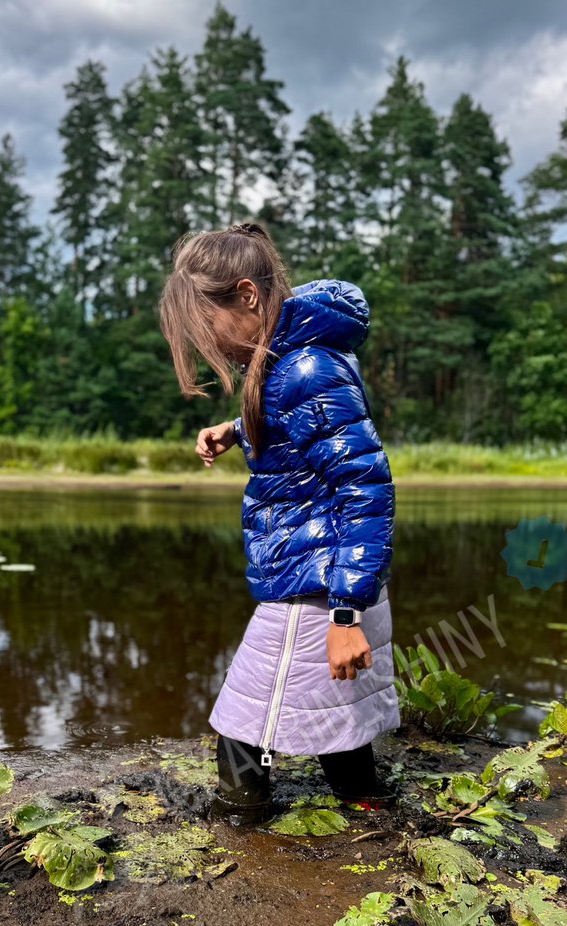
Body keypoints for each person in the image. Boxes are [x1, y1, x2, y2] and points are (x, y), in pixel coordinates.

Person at [159, 222, 400, 825]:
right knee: (338, 708)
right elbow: (307, 432)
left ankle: (240, 818)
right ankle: (365, 802)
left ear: (246, 295)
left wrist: (344, 614)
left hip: (317, 586)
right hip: (331, 573)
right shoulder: (296, 358)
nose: (211, 345)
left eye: (207, 327)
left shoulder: (304, 368)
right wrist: (238, 431)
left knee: (245, 717)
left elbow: (365, 486)